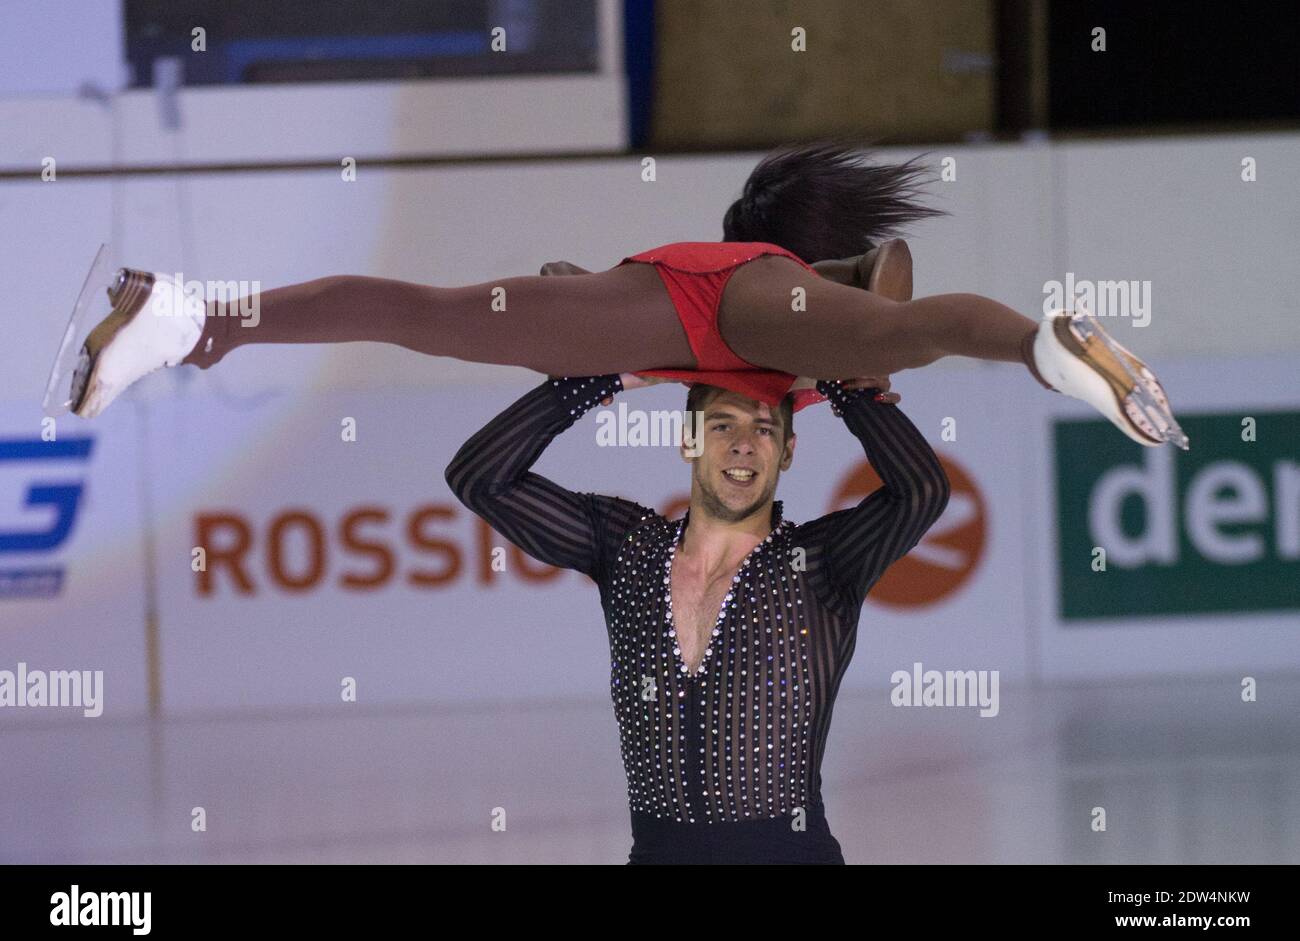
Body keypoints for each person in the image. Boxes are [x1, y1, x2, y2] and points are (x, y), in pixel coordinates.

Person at [58, 140, 1186, 450]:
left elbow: (861, 346)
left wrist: (572, 299)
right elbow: (881, 327)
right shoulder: (744, 285)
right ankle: (194, 317)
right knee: (420, 311)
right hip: (707, 313)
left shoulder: (752, 310)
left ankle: (199, 323)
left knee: (427, 312)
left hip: (705, 320)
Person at [445, 368, 944, 863]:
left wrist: (844, 388)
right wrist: (605, 379)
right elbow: (479, 477)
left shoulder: (820, 561)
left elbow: (921, 491)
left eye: (764, 429)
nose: (743, 444)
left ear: (787, 452)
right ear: (688, 442)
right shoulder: (629, 548)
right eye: (722, 425)